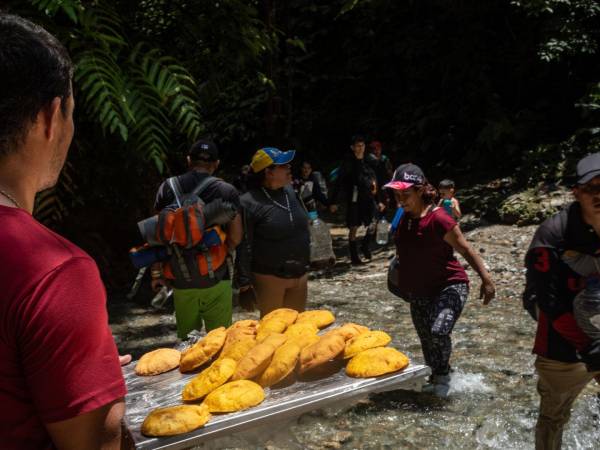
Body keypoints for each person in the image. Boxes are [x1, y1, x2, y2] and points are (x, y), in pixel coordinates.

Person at [0, 14, 127, 448]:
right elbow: (97, 443)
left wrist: (85, 373)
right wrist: (108, 404)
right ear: (52, 116)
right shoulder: (53, 271)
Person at [385, 163, 495, 397]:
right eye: (397, 194)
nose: (400, 199)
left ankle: (444, 376)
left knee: (438, 329)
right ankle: (437, 376)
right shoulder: (402, 220)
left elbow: (466, 250)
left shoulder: (439, 219)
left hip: (451, 285)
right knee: (426, 338)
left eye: (406, 193)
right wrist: (399, 282)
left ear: (420, 191)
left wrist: (486, 280)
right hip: (420, 290)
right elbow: (403, 255)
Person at [523, 152, 600, 449]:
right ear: (576, 193)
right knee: (554, 417)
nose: (599, 196)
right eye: (592, 188)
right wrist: (587, 346)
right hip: (560, 341)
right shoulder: (553, 235)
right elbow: (547, 301)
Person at [152, 139, 242, 339]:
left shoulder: (167, 187)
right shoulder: (226, 190)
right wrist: (223, 252)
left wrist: (157, 273)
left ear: (188, 160)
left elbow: (157, 235)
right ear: (216, 164)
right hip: (217, 277)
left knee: (187, 345)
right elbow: (236, 237)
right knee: (220, 343)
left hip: (180, 278)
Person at [235, 147, 310, 316]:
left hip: (300, 276)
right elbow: (244, 244)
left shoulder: (291, 192)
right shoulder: (249, 202)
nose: (289, 168)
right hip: (270, 279)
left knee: (298, 331)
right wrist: (244, 283)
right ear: (268, 172)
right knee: (272, 334)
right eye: (283, 166)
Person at [329, 135, 378, 265]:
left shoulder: (368, 159)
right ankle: (354, 257)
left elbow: (374, 175)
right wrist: (333, 201)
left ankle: (365, 245)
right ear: (352, 147)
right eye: (357, 146)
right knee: (354, 226)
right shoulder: (348, 162)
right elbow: (339, 182)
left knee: (374, 222)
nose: (360, 148)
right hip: (354, 197)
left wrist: (378, 191)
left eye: (362, 145)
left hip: (368, 196)